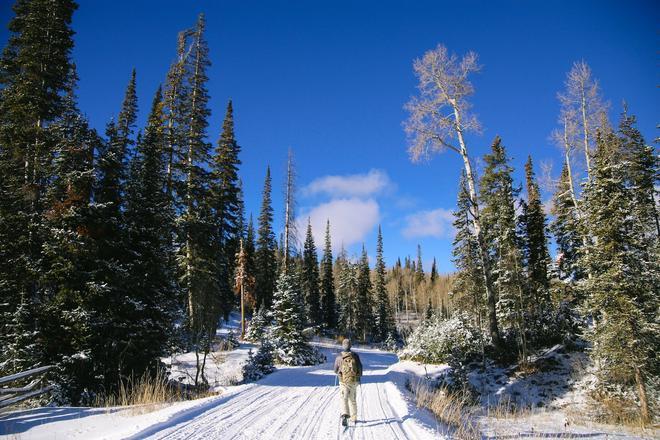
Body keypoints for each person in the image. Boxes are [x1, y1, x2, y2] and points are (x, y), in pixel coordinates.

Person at [333, 338, 363, 426]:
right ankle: (353, 418)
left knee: (344, 398)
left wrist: (339, 372)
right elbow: (360, 369)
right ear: (350, 346)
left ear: (343, 346)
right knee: (352, 400)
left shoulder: (339, 357)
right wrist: (358, 376)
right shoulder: (355, 356)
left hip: (343, 381)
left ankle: (345, 415)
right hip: (353, 381)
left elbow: (335, 370)